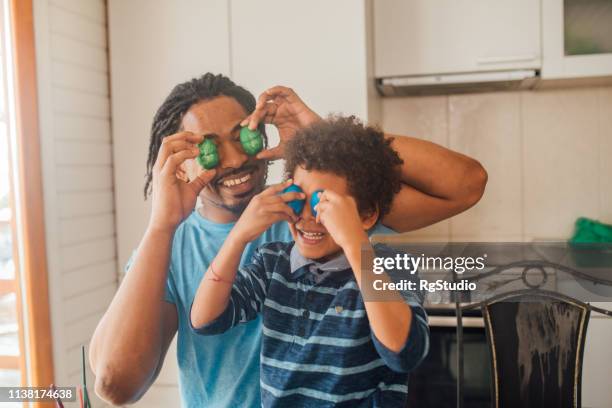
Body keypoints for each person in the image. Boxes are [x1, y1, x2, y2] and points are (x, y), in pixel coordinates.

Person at [89, 73, 487, 407]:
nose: (233, 160)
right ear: (182, 162)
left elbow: (466, 185)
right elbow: (115, 385)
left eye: (241, 136)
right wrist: (161, 225)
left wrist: (322, 133)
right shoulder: (170, 245)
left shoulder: (314, 212)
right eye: (209, 147)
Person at [190, 116, 430, 407]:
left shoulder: (389, 267)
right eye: (297, 199)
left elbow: (404, 353)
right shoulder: (272, 263)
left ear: (366, 214)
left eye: (324, 205)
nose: (307, 216)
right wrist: (238, 236)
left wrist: (355, 244)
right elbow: (205, 320)